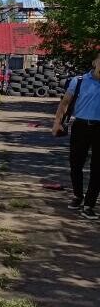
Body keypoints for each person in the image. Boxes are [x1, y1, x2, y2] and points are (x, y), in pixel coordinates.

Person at [53, 50, 100, 219]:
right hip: (81, 126)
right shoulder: (78, 81)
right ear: (94, 62)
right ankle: (78, 196)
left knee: (98, 168)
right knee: (76, 163)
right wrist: (57, 122)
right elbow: (64, 104)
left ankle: (89, 204)